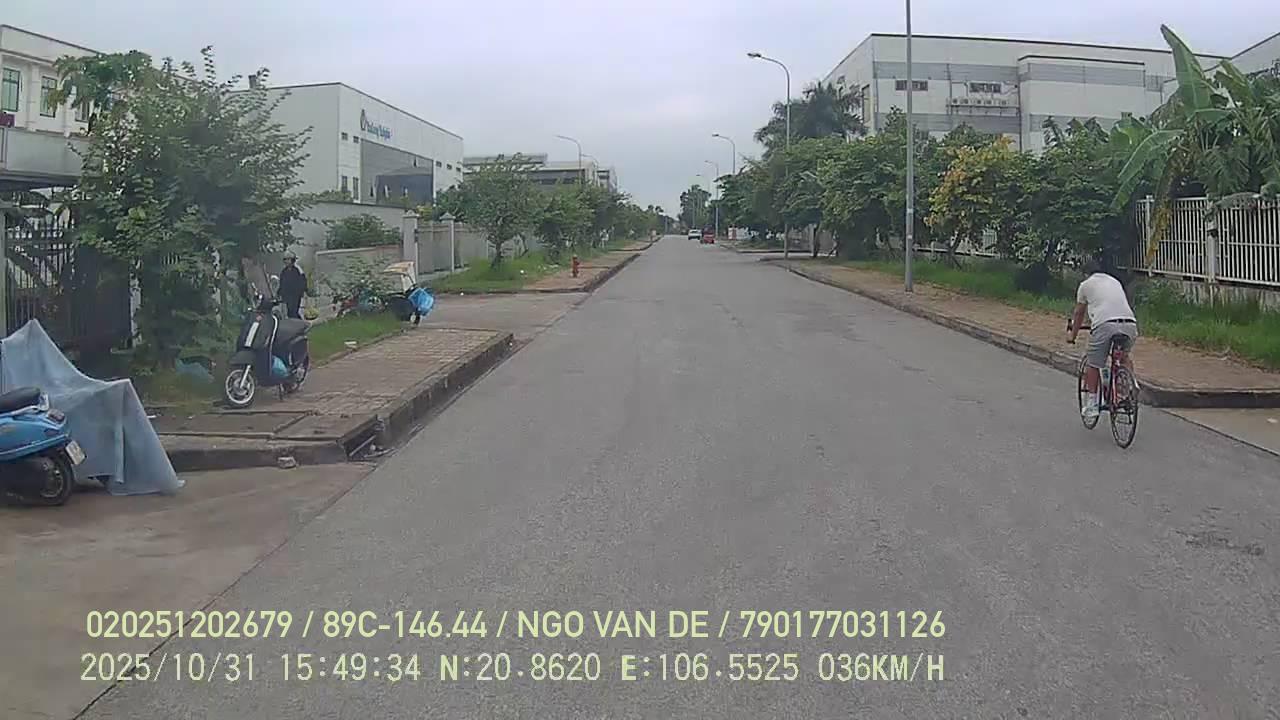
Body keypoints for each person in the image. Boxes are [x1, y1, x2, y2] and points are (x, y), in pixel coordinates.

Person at [1067, 258, 1138, 421]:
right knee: (1124, 356)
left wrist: (1072, 335)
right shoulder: (1114, 281)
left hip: (1105, 325)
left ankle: (1092, 403)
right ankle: (1130, 386)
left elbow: (1079, 313)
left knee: (1093, 363)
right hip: (1129, 324)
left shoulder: (1085, 285)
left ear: (1085, 274)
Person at [278, 251, 307, 320]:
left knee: (294, 311)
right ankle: (297, 323)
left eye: (288, 259)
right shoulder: (284, 272)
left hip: (295, 295)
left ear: (293, 260)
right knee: (290, 312)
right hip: (287, 296)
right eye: (285, 260)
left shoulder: (297, 270)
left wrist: (302, 292)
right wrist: (280, 293)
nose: (286, 261)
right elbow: (282, 283)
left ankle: (298, 323)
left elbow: (303, 282)